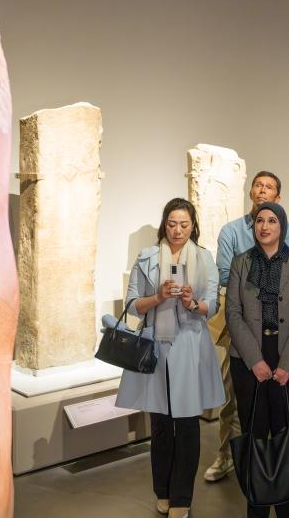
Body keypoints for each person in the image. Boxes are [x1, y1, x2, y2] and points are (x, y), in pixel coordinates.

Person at [118, 199, 225, 518]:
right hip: (156, 347)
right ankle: (162, 491)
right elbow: (131, 304)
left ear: (193, 226)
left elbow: (212, 306)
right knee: (161, 425)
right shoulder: (147, 256)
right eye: (172, 223)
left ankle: (182, 497)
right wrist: (158, 297)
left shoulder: (204, 258)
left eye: (184, 224)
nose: (178, 230)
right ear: (164, 224)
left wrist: (191, 302)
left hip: (190, 346)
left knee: (188, 424)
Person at [207, 172, 289, 483]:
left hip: (279, 326)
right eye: (258, 185)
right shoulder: (232, 231)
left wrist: (248, 277)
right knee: (234, 394)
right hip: (240, 324)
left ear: (278, 197)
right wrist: (257, 278)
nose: (262, 190)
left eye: (269, 187)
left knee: (278, 397)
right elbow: (225, 274)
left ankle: (276, 462)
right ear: (251, 192)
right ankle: (227, 455)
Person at [226, 202, 289, 518]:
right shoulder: (241, 262)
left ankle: (288, 507)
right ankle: (258, 507)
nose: (264, 226)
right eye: (259, 220)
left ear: (282, 226)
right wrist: (255, 360)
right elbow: (233, 313)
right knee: (255, 434)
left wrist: (287, 364)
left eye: (272, 220)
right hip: (249, 361)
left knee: (286, 434)